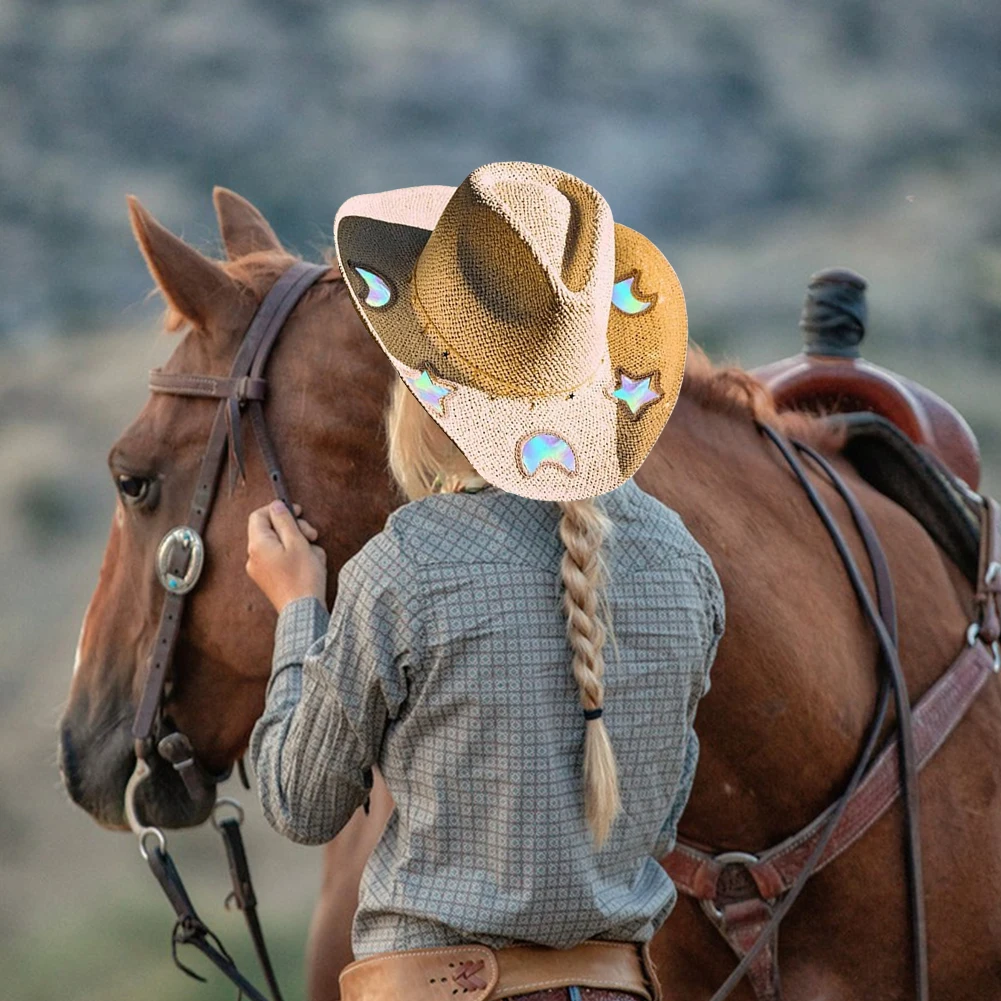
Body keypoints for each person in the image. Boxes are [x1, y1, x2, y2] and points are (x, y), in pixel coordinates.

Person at [245, 161, 725, 1001]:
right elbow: (660, 812)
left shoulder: (408, 566)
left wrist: (298, 609)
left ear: (427, 390)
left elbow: (299, 801)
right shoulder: (686, 568)